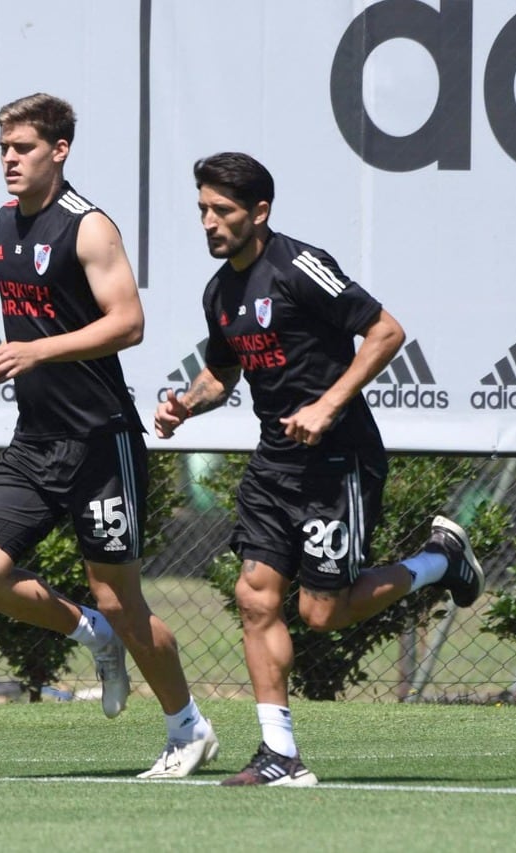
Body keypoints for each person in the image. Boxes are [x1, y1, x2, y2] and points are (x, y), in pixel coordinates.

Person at [155, 151, 485, 786]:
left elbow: (386, 331)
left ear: (259, 211)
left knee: (322, 614)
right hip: (274, 464)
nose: (209, 223)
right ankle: (280, 755)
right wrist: (185, 408)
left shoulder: (300, 267)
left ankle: (440, 561)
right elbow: (222, 374)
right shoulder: (219, 290)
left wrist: (329, 405)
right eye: (202, 210)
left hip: (339, 461)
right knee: (255, 597)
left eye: (222, 211)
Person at [0, 93, 218, 779]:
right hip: (36, 438)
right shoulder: (4, 223)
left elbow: (128, 322)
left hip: (101, 443)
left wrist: (35, 353)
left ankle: (188, 727)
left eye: (24, 149)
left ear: (60, 150)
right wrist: (4, 355)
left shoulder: (89, 226)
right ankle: (88, 632)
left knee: (121, 597)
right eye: (4, 149)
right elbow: (35, 326)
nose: (10, 161)